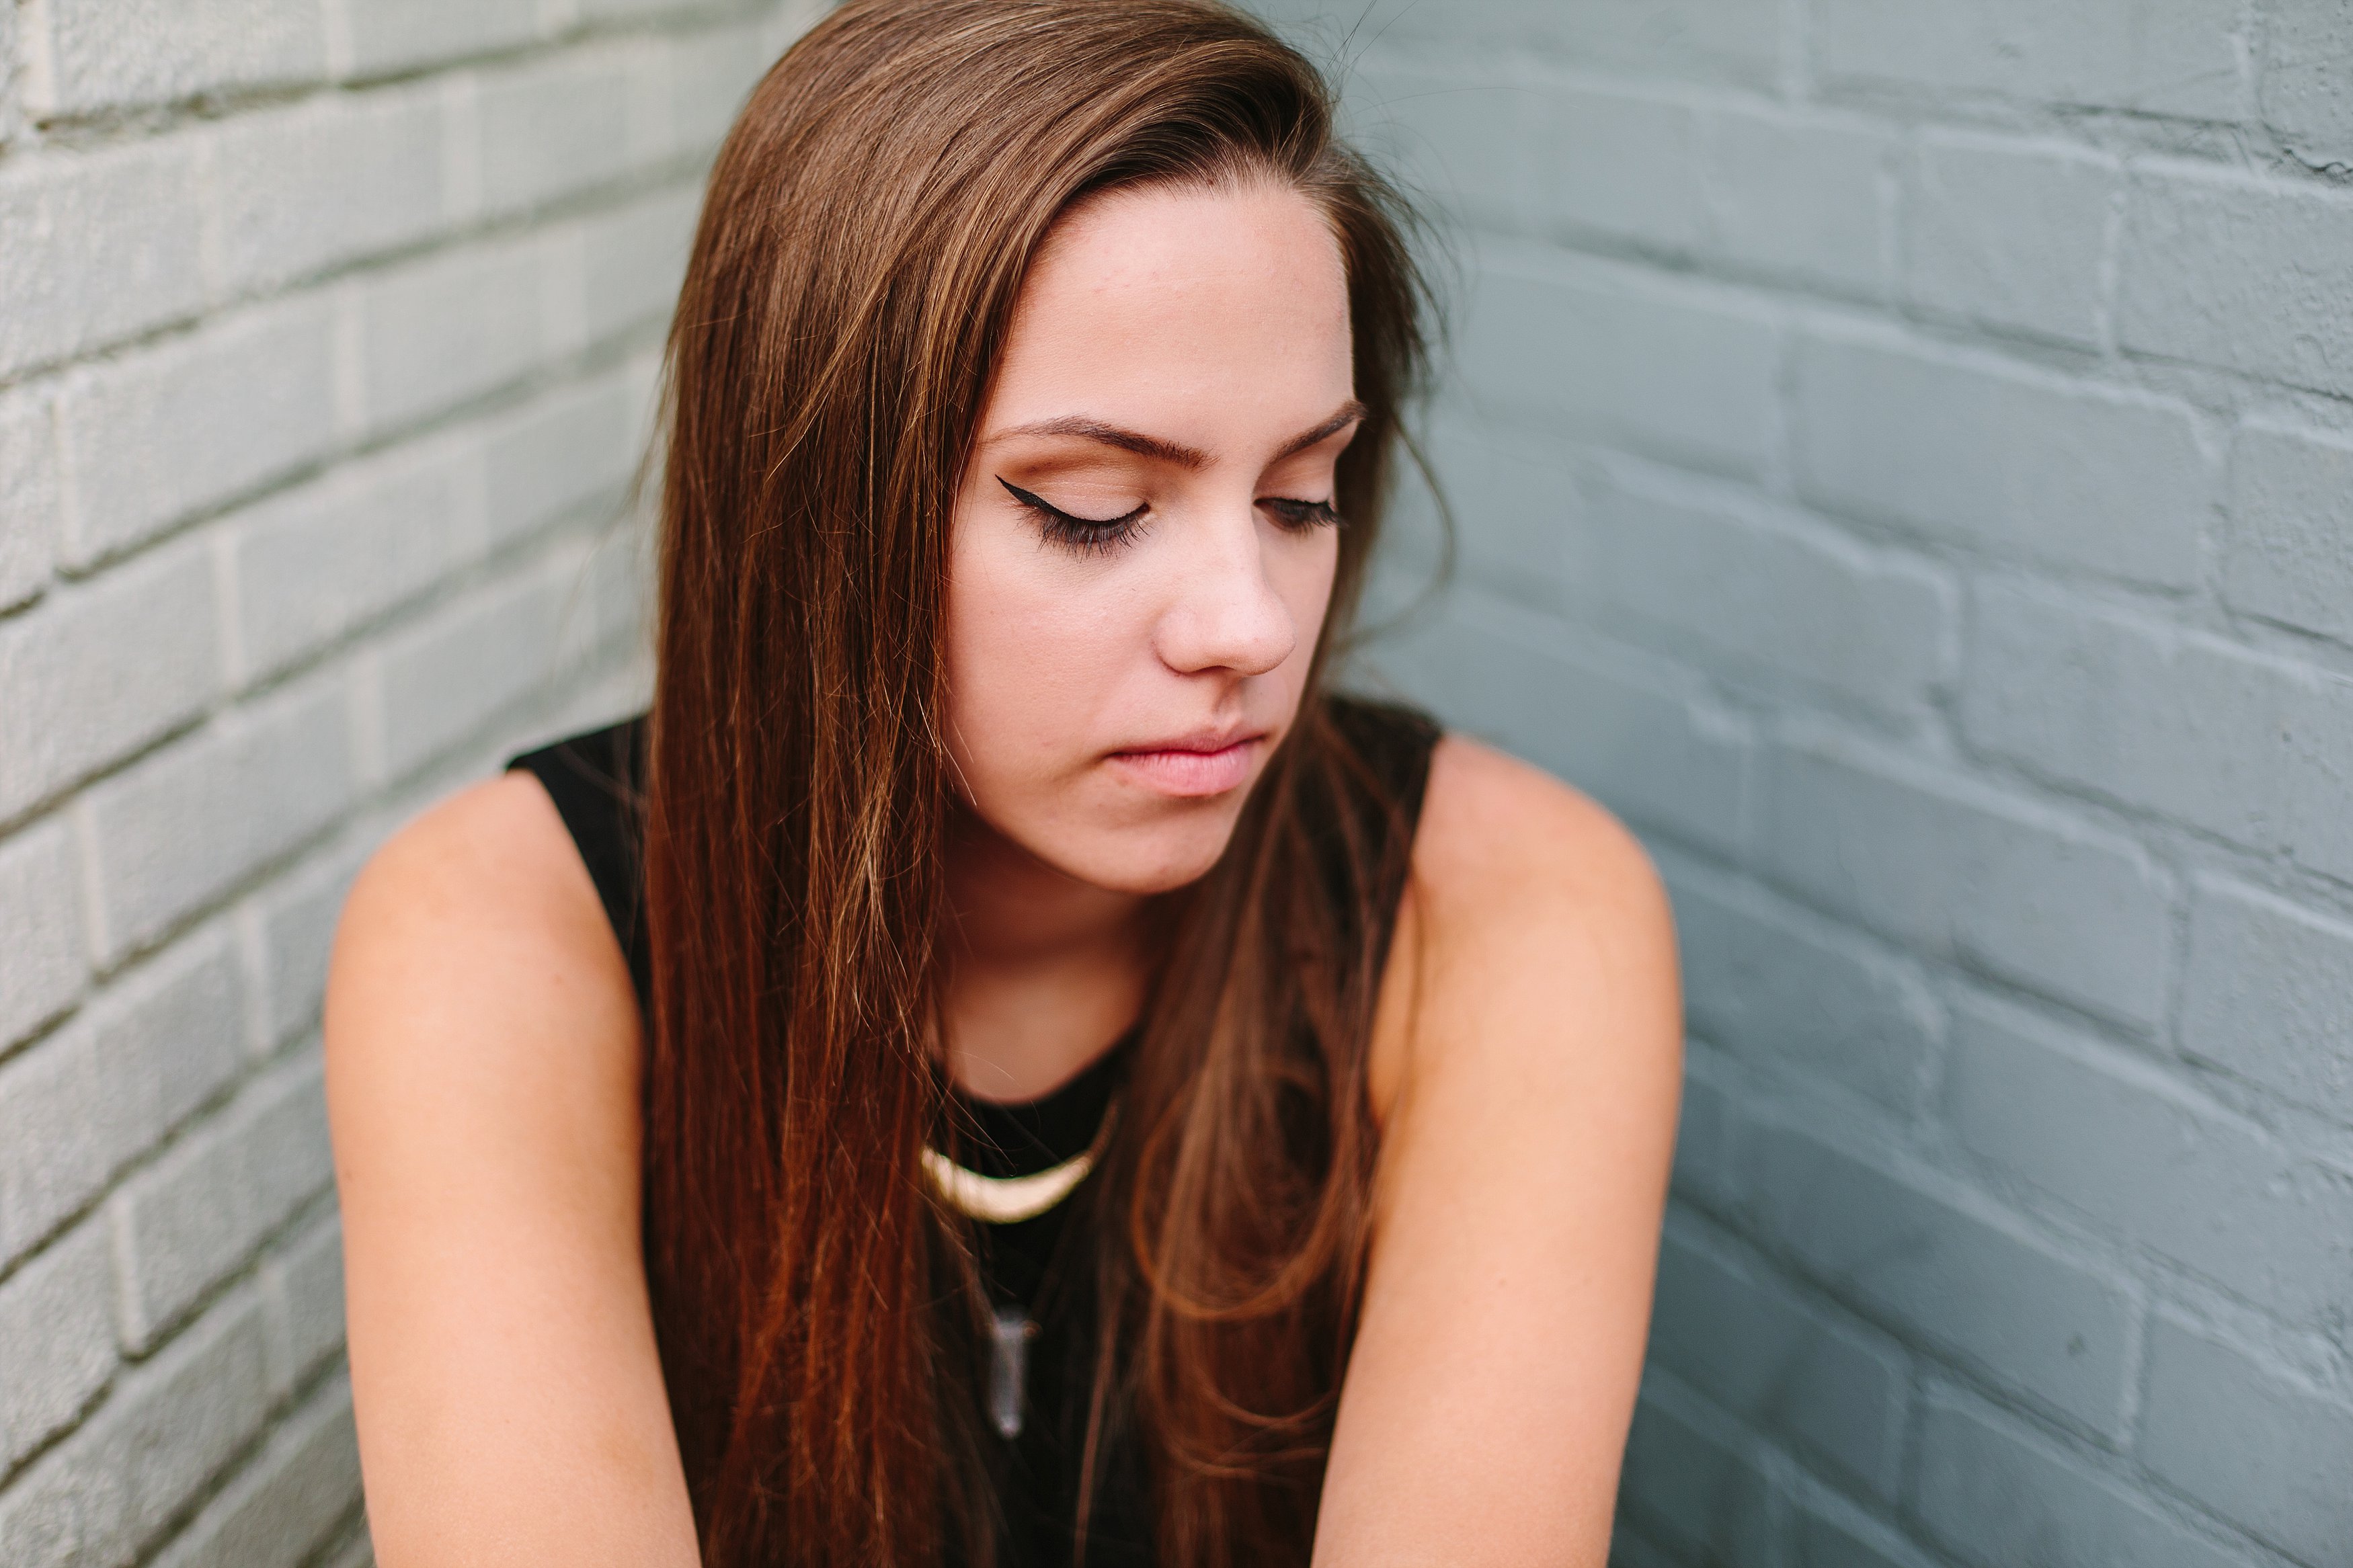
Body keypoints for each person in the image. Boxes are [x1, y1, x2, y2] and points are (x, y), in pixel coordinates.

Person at [321, 1, 1681, 1563]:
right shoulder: (506, 936)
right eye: (1094, 509)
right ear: (818, 506)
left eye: (1298, 494)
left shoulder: (1503, 912)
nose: (1247, 624)